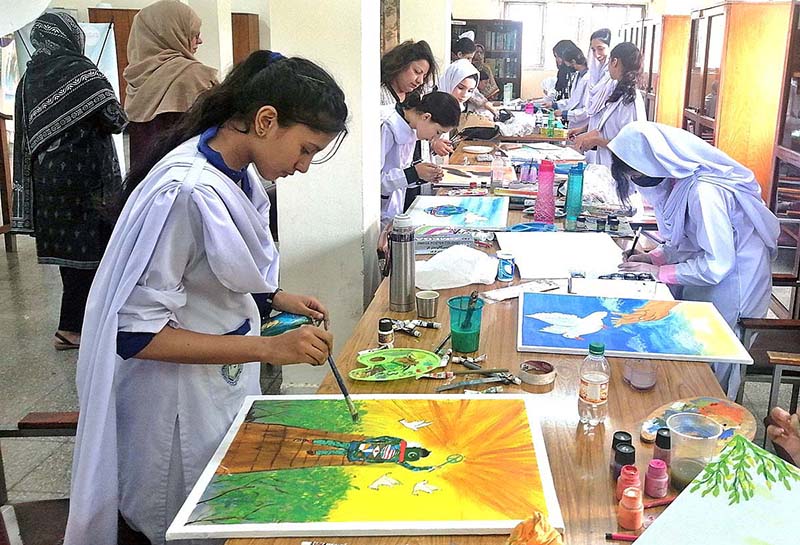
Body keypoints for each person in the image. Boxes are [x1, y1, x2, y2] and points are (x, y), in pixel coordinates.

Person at [63, 50, 348, 545]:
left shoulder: (236, 174)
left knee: (223, 509)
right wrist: (269, 348)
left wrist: (275, 298)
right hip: (173, 403)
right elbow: (135, 334)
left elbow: (212, 271)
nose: (303, 166)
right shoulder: (186, 192)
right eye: (305, 149)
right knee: (181, 519)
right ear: (265, 121)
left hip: (216, 384)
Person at [607, 121, 780, 398]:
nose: (637, 180)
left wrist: (659, 273)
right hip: (711, 279)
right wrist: (654, 257)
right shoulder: (679, 183)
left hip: (734, 286)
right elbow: (687, 239)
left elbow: (716, 264)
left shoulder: (704, 192)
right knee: (692, 352)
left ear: (654, 162)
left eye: (636, 173)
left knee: (712, 368)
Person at [11, 12, 127, 350]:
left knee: (71, 261)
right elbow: (115, 119)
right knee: (93, 256)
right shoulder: (83, 72)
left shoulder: (28, 79)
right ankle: (75, 328)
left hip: (49, 185)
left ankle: (75, 325)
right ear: (70, 36)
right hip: (87, 183)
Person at [123, 0, 218, 172]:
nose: (200, 40)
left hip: (146, 181)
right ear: (172, 33)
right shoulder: (193, 76)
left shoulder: (136, 77)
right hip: (187, 182)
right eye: (194, 34)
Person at [380, 91, 460, 228]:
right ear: (426, 117)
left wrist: (424, 175)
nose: (436, 138)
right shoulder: (387, 126)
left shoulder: (411, 129)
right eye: (438, 132)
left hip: (392, 212)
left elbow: (399, 178)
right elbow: (372, 184)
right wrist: (413, 173)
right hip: (375, 214)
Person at [572, 42, 646, 168]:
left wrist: (596, 141)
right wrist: (587, 134)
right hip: (606, 166)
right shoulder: (619, 92)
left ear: (615, 62)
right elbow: (609, 129)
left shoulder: (630, 98)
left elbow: (630, 144)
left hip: (620, 169)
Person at [542, 43, 589, 129]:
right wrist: (554, 105)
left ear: (573, 62)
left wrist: (564, 114)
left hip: (582, 126)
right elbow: (573, 101)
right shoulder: (578, 76)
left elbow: (586, 111)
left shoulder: (589, 80)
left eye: (567, 64)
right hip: (574, 125)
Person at [380, 39, 437, 106]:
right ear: (400, 64)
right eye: (417, 72)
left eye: (424, 76)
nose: (420, 81)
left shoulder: (418, 98)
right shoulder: (379, 94)